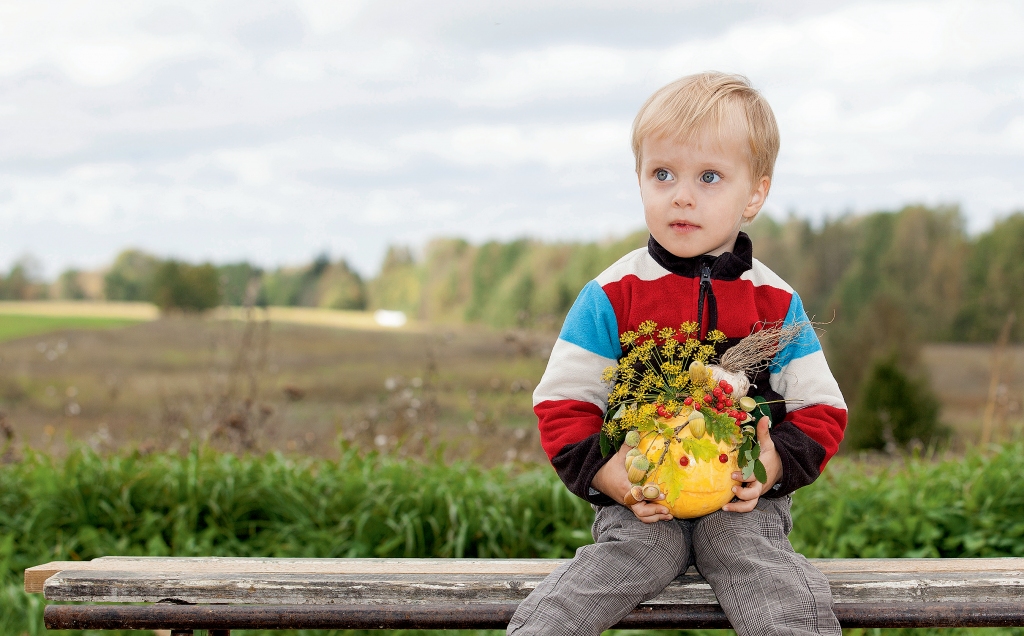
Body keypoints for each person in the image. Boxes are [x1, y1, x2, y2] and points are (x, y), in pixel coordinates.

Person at [507, 72, 847, 636]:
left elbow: (822, 409)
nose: (681, 194)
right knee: (634, 553)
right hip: (643, 495)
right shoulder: (614, 294)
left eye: (709, 177)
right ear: (639, 180)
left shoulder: (775, 301)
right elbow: (563, 400)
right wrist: (610, 477)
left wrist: (771, 467)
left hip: (742, 501)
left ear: (755, 194)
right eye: (662, 174)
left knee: (743, 552)